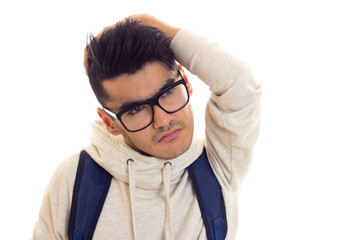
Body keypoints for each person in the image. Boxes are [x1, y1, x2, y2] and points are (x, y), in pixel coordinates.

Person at [32, 14, 262, 240]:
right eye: (135, 110)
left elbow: (241, 84)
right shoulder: (74, 181)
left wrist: (155, 27)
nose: (162, 121)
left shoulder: (218, 166)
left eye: (168, 91)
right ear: (109, 122)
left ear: (187, 82)